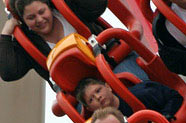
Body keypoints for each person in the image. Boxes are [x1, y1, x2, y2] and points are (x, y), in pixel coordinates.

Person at [0, 0, 147, 83]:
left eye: (41, 12)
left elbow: (97, 5)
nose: (39, 20)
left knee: (137, 83)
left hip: (113, 60)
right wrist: (6, 33)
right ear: (23, 21)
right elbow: (9, 72)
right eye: (31, 18)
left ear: (49, 8)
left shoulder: (66, 8)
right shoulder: (29, 43)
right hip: (85, 88)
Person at [75, 77, 183, 121]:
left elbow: (175, 97)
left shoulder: (142, 93)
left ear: (108, 87)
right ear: (89, 109)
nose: (98, 97)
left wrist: (163, 117)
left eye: (98, 91)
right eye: (91, 100)